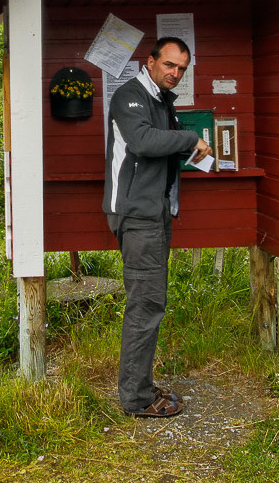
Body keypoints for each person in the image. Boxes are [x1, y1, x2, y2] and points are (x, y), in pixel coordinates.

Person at [103, 36, 212, 418]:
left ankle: (140, 386)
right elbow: (144, 141)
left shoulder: (162, 101)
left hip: (155, 212)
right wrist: (191, 138)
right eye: (169, 65)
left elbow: (163, 144)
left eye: (181, 68)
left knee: (150, 302)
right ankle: (136, 399)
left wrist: (193, 147)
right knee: (146, 305)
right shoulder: (130, 95)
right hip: (137, 215)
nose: (175, 73)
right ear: (149, 62)